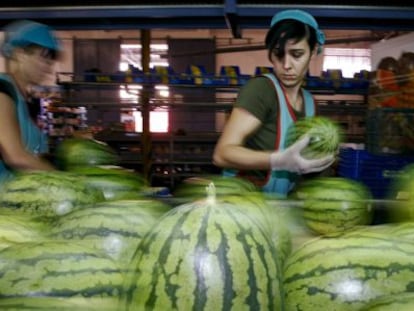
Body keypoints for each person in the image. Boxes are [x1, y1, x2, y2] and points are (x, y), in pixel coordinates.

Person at [213, 9, 335, 198]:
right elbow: (222, 154)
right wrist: (278, 160)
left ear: (312, 54)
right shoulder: (261, 90)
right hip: (240, 205)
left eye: (297, 54)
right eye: (279, 54)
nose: (286, 65)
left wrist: (320, 162)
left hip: (277, 210)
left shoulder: (311, 104)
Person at [0, 20, 61, 183]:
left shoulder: (26, 99)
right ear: (20, 54)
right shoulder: (2, 91)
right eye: (44, 58)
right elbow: (15, 157)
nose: (49, 68)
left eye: (51, 61)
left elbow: (35, 153)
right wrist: (68, 180)